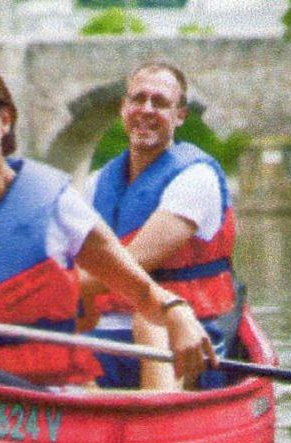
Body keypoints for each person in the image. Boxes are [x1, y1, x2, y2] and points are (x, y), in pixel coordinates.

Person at [0, 56, 216, 388]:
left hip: (45, 395)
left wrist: (177, 312)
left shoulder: (57, 203)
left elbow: (140, 290)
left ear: (4, 121)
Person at [84, 61, 239, 390]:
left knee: (148, 322)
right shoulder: (97, 183)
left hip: (185, 336)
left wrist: (32, 291)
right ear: (123, 108)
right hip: (105, 336)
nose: (146, 110)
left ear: (180, 115)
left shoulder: (196, 179)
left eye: (160, 102)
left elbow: (127, 265)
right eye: (138, 99)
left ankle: (153, 413)